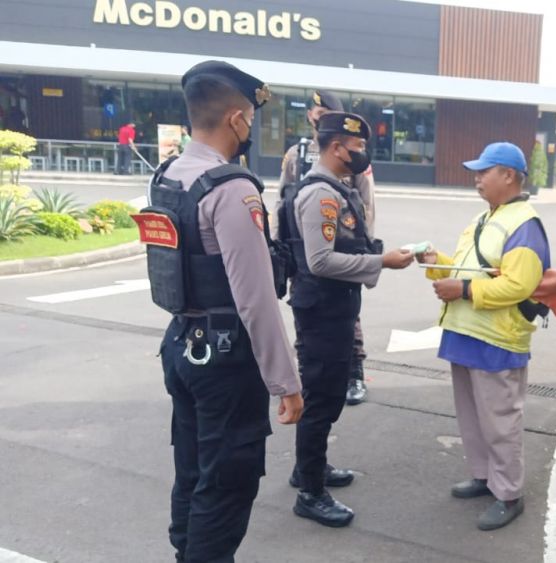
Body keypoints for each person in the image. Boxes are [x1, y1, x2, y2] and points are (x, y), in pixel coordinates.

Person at [140, 60, 304, 563]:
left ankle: (184, 553)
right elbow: (255, 299)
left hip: (181, 344)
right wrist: (287, 383)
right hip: (226, 361)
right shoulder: (231, 189)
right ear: (236, 118)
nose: (250, 129)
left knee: (192, 468)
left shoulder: (168, 175)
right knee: (226, 481)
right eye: (251, 119)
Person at [279, 110, 414, 527]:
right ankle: (310, 492)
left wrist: (382, 255)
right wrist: (382, 262)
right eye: (357, 147)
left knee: (327, 395)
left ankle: (310, 468)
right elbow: (320, 261)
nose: (362, 154)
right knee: (321, 400)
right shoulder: (321, 195)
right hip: (322, 313)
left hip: (331, 309)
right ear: (337, 147)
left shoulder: (336, 188)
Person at [416, 142, 550, 531]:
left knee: (500, 421)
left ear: (508, 176)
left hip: (497, 338)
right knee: (472, 416)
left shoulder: (524, 224)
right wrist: (437, 262)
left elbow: (520, 286)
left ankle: (508, 493)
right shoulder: (484, 217)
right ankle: (483, 476)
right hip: (466, 333)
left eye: (483, 172)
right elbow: (467, 268)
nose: (476, 178)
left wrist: (466, 291)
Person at [280, 90, 377, 406]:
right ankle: (310, 377)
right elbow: (283, 201)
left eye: (325, 111)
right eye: (315, 110)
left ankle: (353, 374)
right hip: (302, 248)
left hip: (343, 244)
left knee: (348, 317)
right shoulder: (296, 155)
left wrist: (368, 256)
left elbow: (367, 206)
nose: (317, 114)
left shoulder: (351, 154)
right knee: (306, 312)